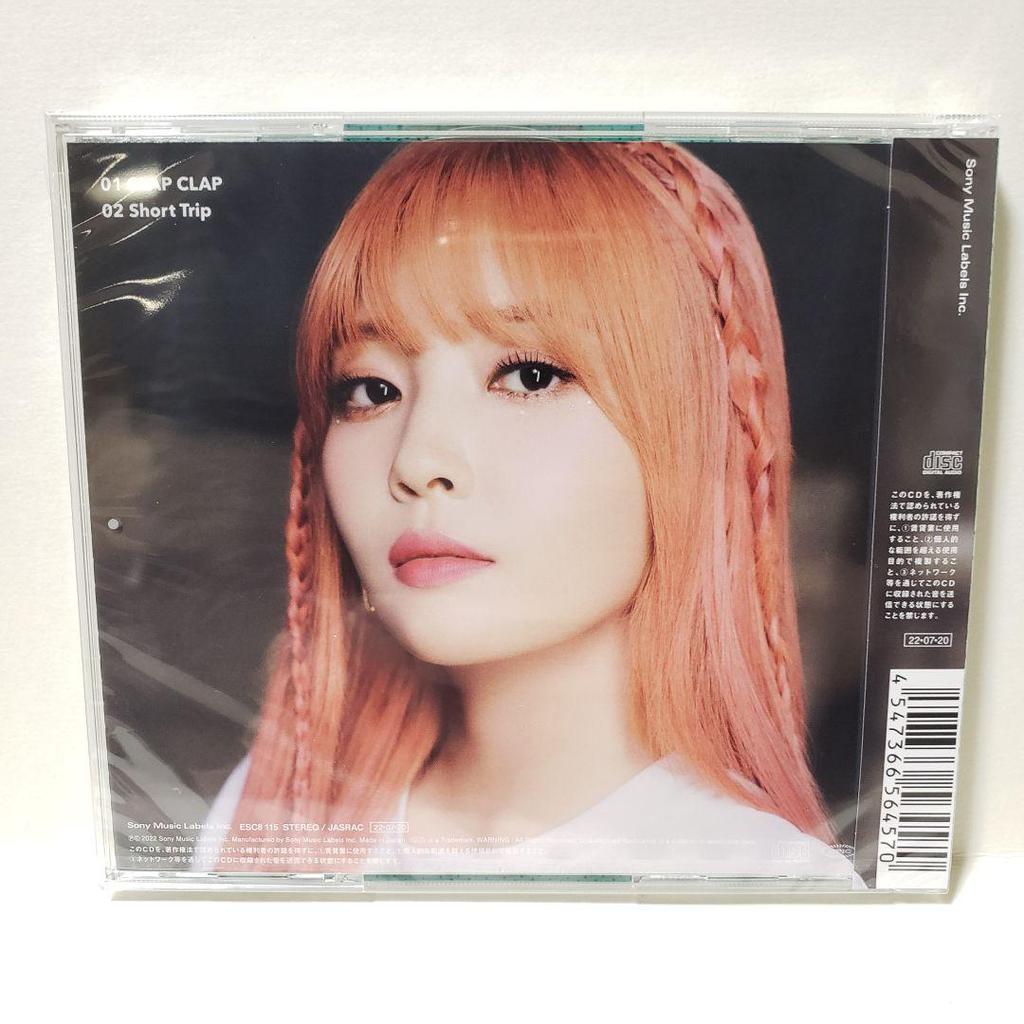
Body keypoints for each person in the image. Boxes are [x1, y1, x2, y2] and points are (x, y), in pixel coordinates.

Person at [192, 139, 863, 887]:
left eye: (530, 375)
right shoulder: (273, 816)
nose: (417, 461)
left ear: (699, 426)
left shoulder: (760, 886)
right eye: (370, 390)